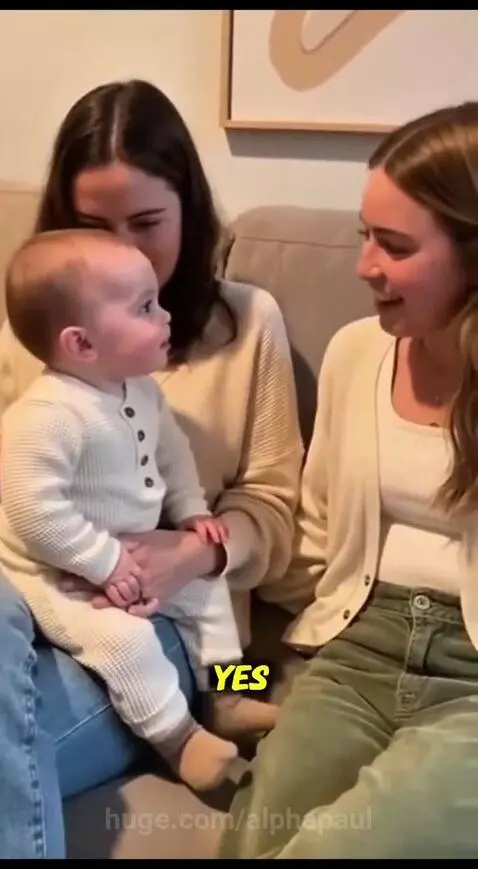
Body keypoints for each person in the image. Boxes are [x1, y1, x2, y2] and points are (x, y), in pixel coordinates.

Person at [0, 80, 303, 857]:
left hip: (154, 621)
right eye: (92, 226)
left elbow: (277, 504)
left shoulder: (245, 321)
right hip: (29, 594)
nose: (124, 249)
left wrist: (196, 547)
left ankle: (212, 711)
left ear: (188, 211)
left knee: (210, 662)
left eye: (146, 223)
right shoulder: (32, 328)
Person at [220, 101, 478, 859]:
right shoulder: (356, 351)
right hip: (355, 644)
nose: (364, 264)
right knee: (258, 830)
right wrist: (247, 669)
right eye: (366, 235)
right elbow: (313, 538)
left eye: (394, 246)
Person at [0, 227, 280, 795]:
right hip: (54, 574)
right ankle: (180, 739)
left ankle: (228, 694)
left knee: (208, 596)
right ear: (82, 344)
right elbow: (32, 510)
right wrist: (103, 563)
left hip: (131, 555)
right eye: (145, 307)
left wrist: (192, 512)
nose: (165, 317)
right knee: (124, 641)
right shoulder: (46, 416)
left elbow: (172, 457)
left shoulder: (140, 391)